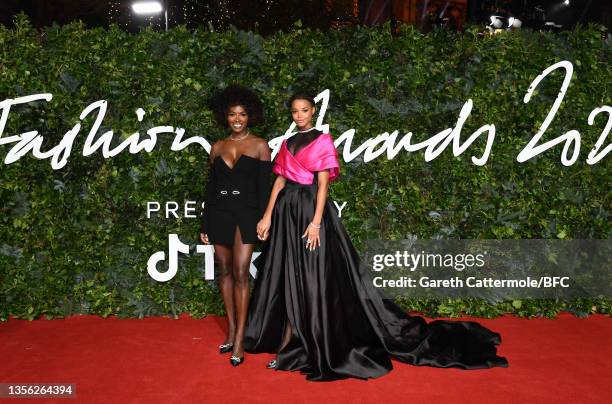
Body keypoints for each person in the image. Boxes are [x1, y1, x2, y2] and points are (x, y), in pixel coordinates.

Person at [244, 92, 508, 381]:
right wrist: (268, 215)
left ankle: (305, 344)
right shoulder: (287, 143)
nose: (299, 116)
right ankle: (289, 341)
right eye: (295, 111)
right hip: (286, 215)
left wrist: (317, 223)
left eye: (304, 110)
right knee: (288, 276)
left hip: (309, 215)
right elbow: (280, 180)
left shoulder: (322, 141)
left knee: (311, 279)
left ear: (313, 111)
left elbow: (322, 186)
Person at [199, 85, 272, 367]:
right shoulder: (217, 147)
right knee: (225, 270)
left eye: (242, 114)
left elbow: (264, 190)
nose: (238, 119)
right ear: (225, 117)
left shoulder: (260, 145)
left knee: (242, 272)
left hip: (247, 213)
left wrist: (265, 218)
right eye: (232, 114)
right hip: (220, 212)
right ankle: (230, 329)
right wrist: (205, 223)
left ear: (250, 116)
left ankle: (240, 337)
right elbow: (211, 188)